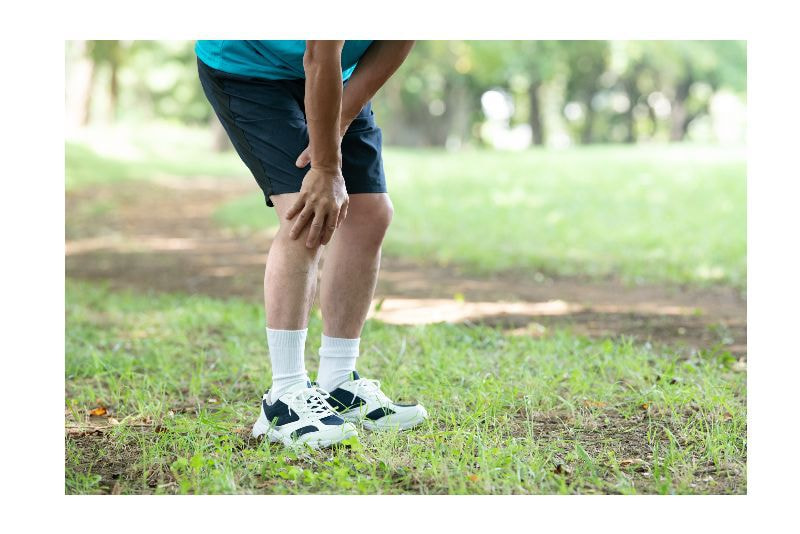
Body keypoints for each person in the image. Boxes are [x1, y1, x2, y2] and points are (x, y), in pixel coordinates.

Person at [196, 40, 426, 448]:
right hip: (249, 68)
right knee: (306, 215)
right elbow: (320, 53)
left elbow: (396, 41)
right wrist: (324, 165)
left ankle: (338, 383)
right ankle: (283, 397)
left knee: (370, 213)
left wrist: (336, 128)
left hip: (335, 76)